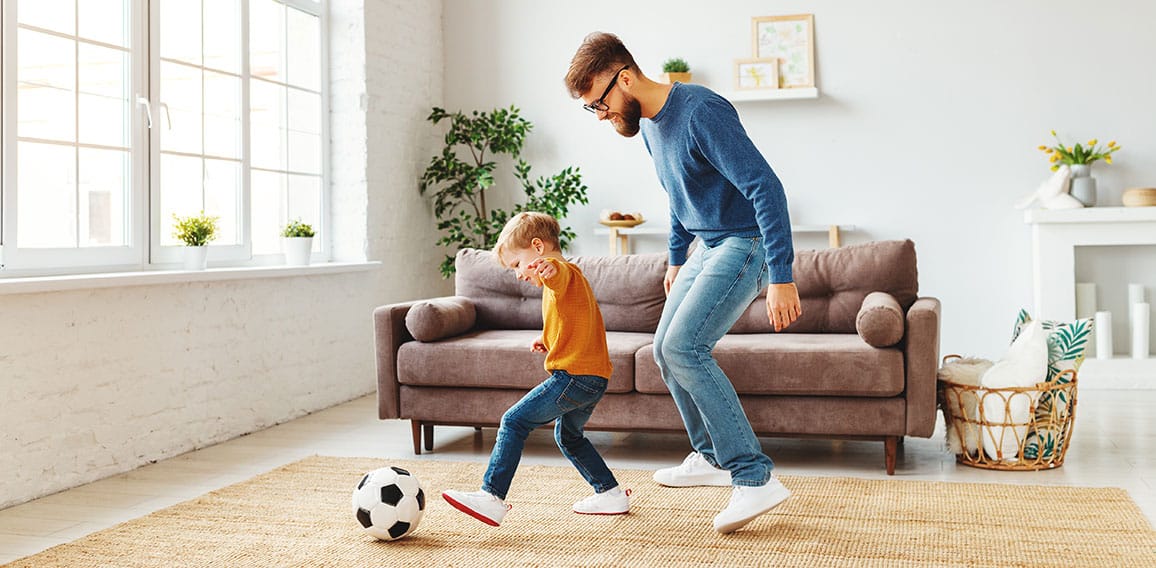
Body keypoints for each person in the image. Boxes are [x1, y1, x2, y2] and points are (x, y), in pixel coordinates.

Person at [565, 32, 803, 534]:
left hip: (746, 243)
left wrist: (782, 276)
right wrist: (676, 258)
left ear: (624, 78)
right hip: (707, 245)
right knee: (662, 351)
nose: (602, 116)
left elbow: (767, 187)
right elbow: (678, 193)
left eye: (599, 104)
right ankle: (711, 456)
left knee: (686, 348)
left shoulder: (700, 111)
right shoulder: (651, 126)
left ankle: (754, 476)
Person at [442, 212, 630, 526]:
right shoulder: (565, 282)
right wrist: (547, 339)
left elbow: (558, 275)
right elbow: (570, 317)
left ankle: (492, 496)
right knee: (569, 437)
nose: (517, 274)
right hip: (593, 378)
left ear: (538, 248)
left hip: (574, 376)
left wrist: (549, 269)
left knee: (513, 421)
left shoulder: (561, 271)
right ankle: (610, 493)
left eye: (517, 264)